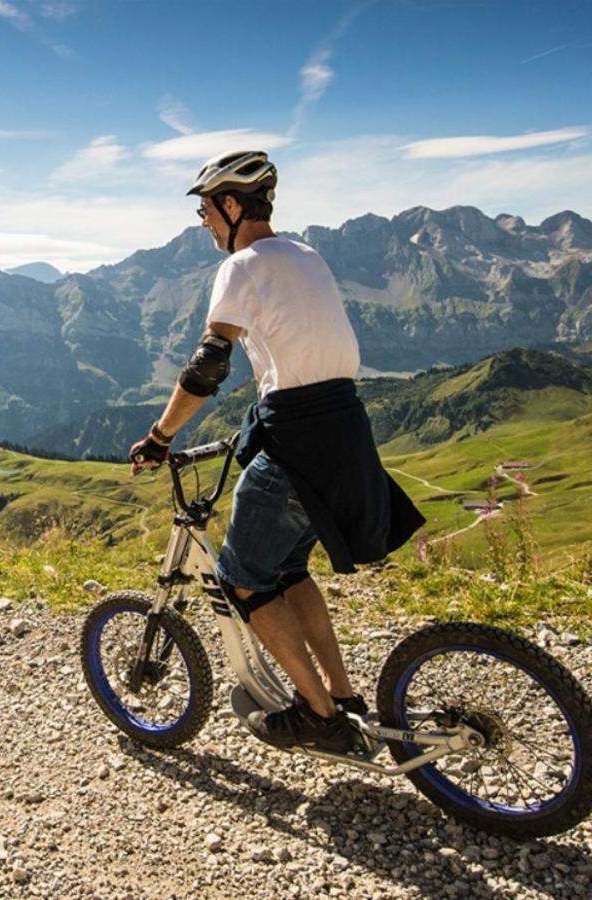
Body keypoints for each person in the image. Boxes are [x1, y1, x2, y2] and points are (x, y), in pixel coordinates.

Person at [128, 151, 425, 753]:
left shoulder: (241, 265)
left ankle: (317, 716)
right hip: (347, 428)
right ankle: (341, 698)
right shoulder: (308, 256)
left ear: (232, 206)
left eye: (207, 211)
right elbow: (301, 354)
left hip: (299, 437)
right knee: (287, 570)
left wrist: (160, 437)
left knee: (240, 576)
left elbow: (210, 365)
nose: (206, 223)